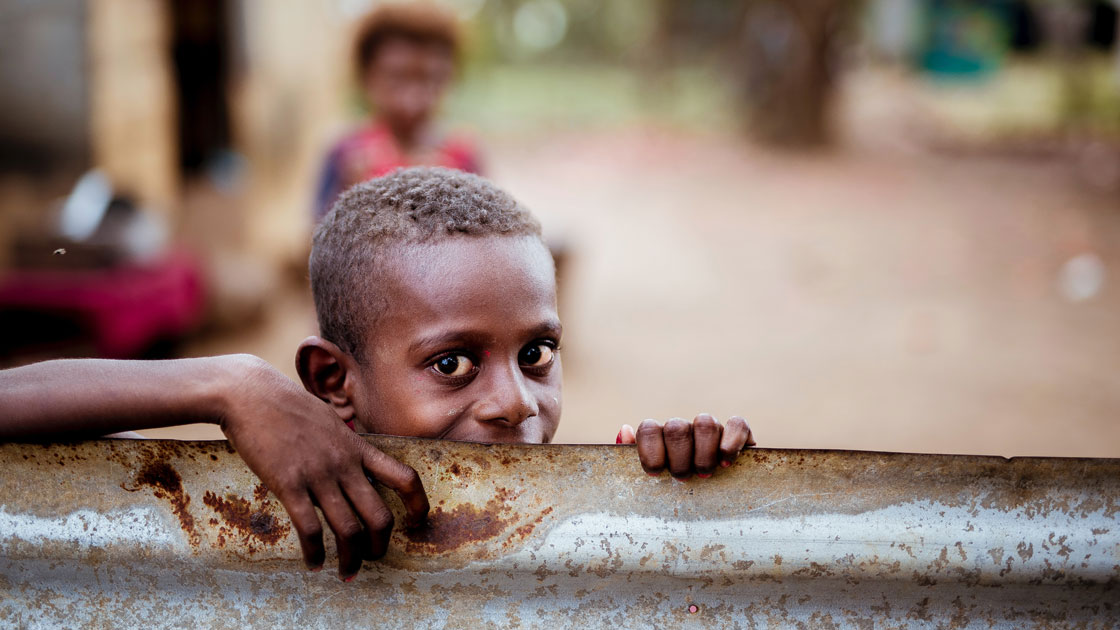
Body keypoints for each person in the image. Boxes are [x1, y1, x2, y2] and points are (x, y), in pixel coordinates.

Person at [0, 167, 755, 582]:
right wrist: (228, 384)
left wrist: (674, 497)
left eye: (537, 354)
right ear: (334, 382)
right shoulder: (272, 491)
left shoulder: (576, 511)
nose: (514, 403)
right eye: (452, 364)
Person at [314, 3, 482, 221]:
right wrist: (350, 198)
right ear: (367, 77)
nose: (412, 100)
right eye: (397, 79)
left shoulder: (463, 157)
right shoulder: (345, 156)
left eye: (430, 80)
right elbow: (315, 243)